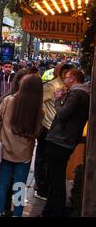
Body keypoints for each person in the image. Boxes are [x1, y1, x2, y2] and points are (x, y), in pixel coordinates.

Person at [0, 74, 43, 217]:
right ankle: (17, 214)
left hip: (6, 149)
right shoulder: (39, 109)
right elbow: (37, 132)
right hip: (24, 153)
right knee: (20, 186)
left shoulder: (8, 101)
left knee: (2, 183)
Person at [41, 69, 90, 217]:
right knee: (55, 176)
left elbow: (62, 115)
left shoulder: (77, 94)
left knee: (56, 178)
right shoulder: (82, 93)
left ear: (74, 79)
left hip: (60, 141)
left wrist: (57, 99)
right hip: (65, 140)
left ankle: (56, 210)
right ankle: (50, 209)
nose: (65, 80)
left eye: (67, 77)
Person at [34, 63, 74, 200]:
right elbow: (38, 103)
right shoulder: (51, 86)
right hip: (47, 127)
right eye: (68, 74)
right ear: (62, 73)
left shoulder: (66, 87)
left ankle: (44, 185)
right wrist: (43, 117)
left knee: (46, 158)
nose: (70, 77)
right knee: (43, 157)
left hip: (55, 128)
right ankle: (40, 186)